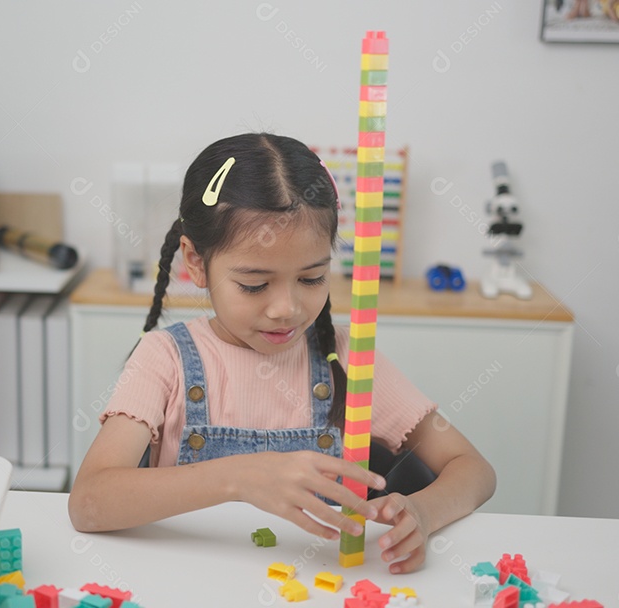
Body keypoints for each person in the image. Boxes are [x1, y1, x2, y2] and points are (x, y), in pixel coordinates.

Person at [69, 133, 496, 574]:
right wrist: (240, 478)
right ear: (195, 262)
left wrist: (422, 513)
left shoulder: (349, 358)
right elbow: (88, 501)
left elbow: (473, 469)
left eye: (311, 279)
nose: (286, 309)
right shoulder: (165, 359)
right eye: (254, 284)